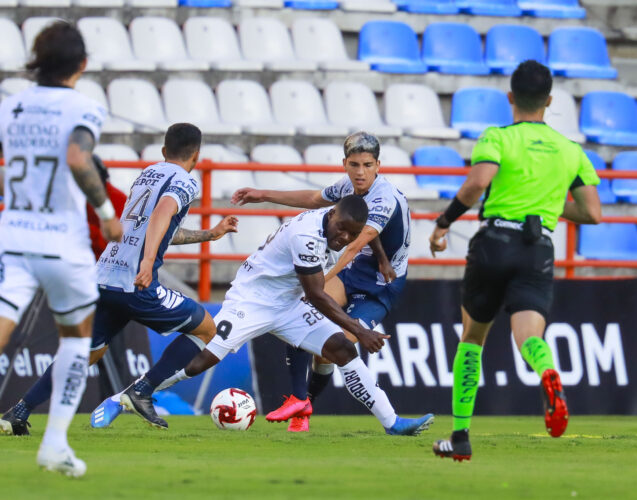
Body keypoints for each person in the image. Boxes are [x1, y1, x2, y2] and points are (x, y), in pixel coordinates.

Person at [0, 21, 122, 478]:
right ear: (82, 64)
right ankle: (55, 443)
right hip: (62, 243)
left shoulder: (10, 107)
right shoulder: (84, 107)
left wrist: (22, 193)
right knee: (77, 339)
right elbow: (78, 158)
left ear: (36, 61)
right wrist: (104, 211)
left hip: (13, 238)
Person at [0, 123, 238, 434]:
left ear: (164, 152)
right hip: (135, 281)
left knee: (88, 353)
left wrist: (209, 234)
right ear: (197, 156)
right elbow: (161, 214)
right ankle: (142, 391)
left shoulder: (147, 174)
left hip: (104, 276)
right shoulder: (186, 181)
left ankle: (19, 410)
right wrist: (148, 262)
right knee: (207, 328)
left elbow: (155, 227)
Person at [122, 195, 434, 436]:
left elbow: (314, 289)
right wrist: (360, 328)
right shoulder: (307, 236)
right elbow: (316, 294)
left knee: (342, 348)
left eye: (351, 235)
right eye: (341, 229)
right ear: (333, 214)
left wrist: (380, 257)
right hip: (253, 299)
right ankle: (137, 392)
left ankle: (391, 422)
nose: (342, 238)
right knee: (202, 360)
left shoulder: (337, 228)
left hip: (288, 303)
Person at [429, 60, 602, 461]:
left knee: (472, 339)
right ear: (550, 100)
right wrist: (547, 205)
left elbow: (477, 183)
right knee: (529, 336)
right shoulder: (570, 150)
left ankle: (460, 437)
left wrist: (443, 222)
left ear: (510, 97)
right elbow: (592, 212)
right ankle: (546, 373)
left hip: (495, 242)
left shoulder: (498, 137)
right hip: (537, 245)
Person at [230, 132, 411, 433]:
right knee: (308, 313)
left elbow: (353, 246)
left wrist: (320, 281)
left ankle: (306, 405)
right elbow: (314, 199)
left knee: (328, 348)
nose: (360, 172)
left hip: (380, 285)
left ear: (379, 165)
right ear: (344, 164)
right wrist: (263, 195)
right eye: (354, 164)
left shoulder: (384, 197)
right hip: (355, 270)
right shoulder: (347, 187)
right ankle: (298, 399)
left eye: (367, 164)